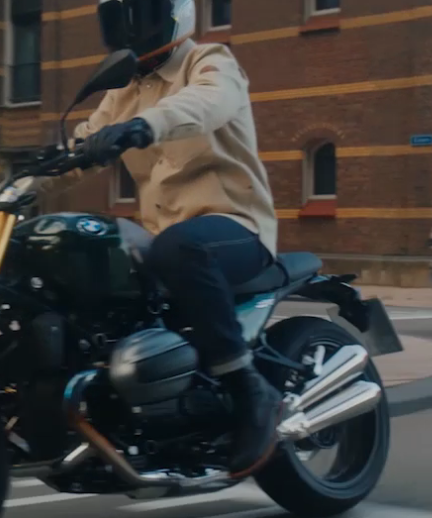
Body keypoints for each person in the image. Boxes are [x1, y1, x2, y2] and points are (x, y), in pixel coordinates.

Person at [72, 0, 283, 476]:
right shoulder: (123, 90)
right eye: (121, 18)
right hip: (163, 238)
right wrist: (15, 181)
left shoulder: (209, 61)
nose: (131, 28)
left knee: (181, 248)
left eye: (141, 14)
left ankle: (251, 389)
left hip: (234, 226)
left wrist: (145, 125)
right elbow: (82, 145)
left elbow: (205, 102)